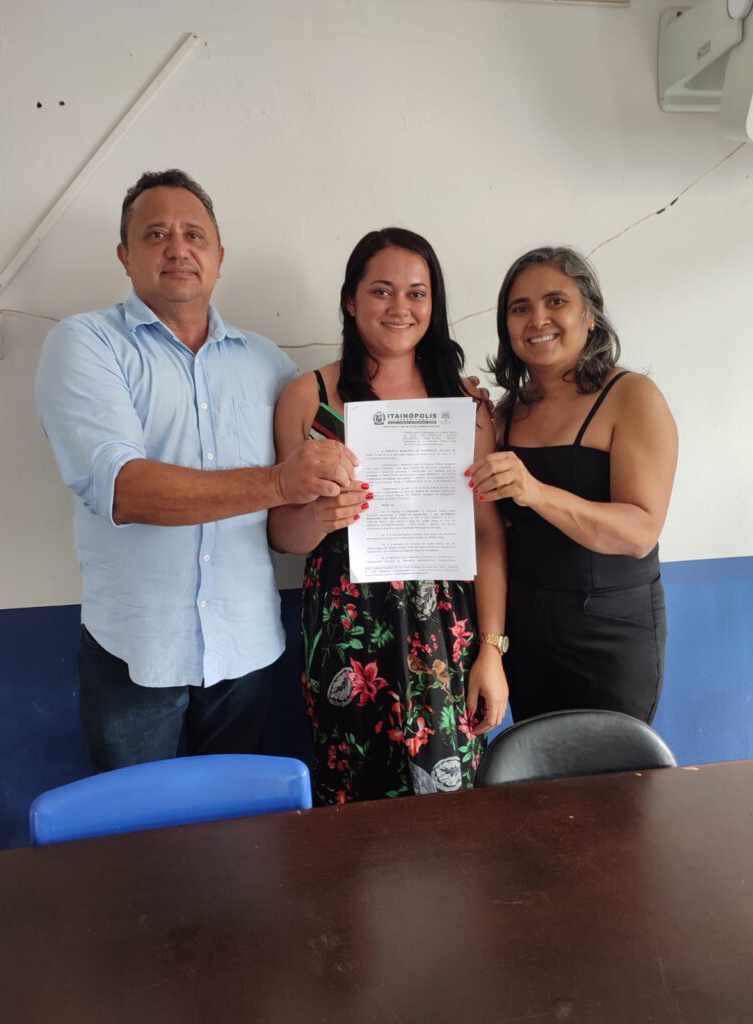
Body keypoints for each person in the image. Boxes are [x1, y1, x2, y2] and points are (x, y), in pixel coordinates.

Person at [35, 168, 356, 772]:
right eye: (156, 234)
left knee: (234, 825)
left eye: (194, 234)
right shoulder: (86, 344)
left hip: (245, 646)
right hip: (135, 650)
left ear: (219, 257)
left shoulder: (268, 363)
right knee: (135, 824)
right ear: (125, 255)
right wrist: (277, 482)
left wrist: (447, 405)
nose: (178, 248)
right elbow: (123, 489)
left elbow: (344, 426)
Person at [268, 228, 509, 805]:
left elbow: (487, 533)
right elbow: (282, 534)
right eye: (381, 290)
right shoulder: (308, 397)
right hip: (347, 637)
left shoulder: (465, 405)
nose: (400, 307)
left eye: (417, 293)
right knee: (353, 803)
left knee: (452, 805)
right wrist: (323, 515)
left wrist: (492, 650)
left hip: (445, 635)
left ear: (434, 304)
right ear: (350, 301)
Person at [466, 246, 678, 723]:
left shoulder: (633, 397)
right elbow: (483, 522)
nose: (537, 319)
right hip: (525, 631)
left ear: (591, 315)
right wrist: (459, 419)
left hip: (611, 630)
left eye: (556, 301)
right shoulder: (506, 412)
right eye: (520, 308)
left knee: (612, 766)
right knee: (537, 762)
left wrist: (535, 492)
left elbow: (640, 532)